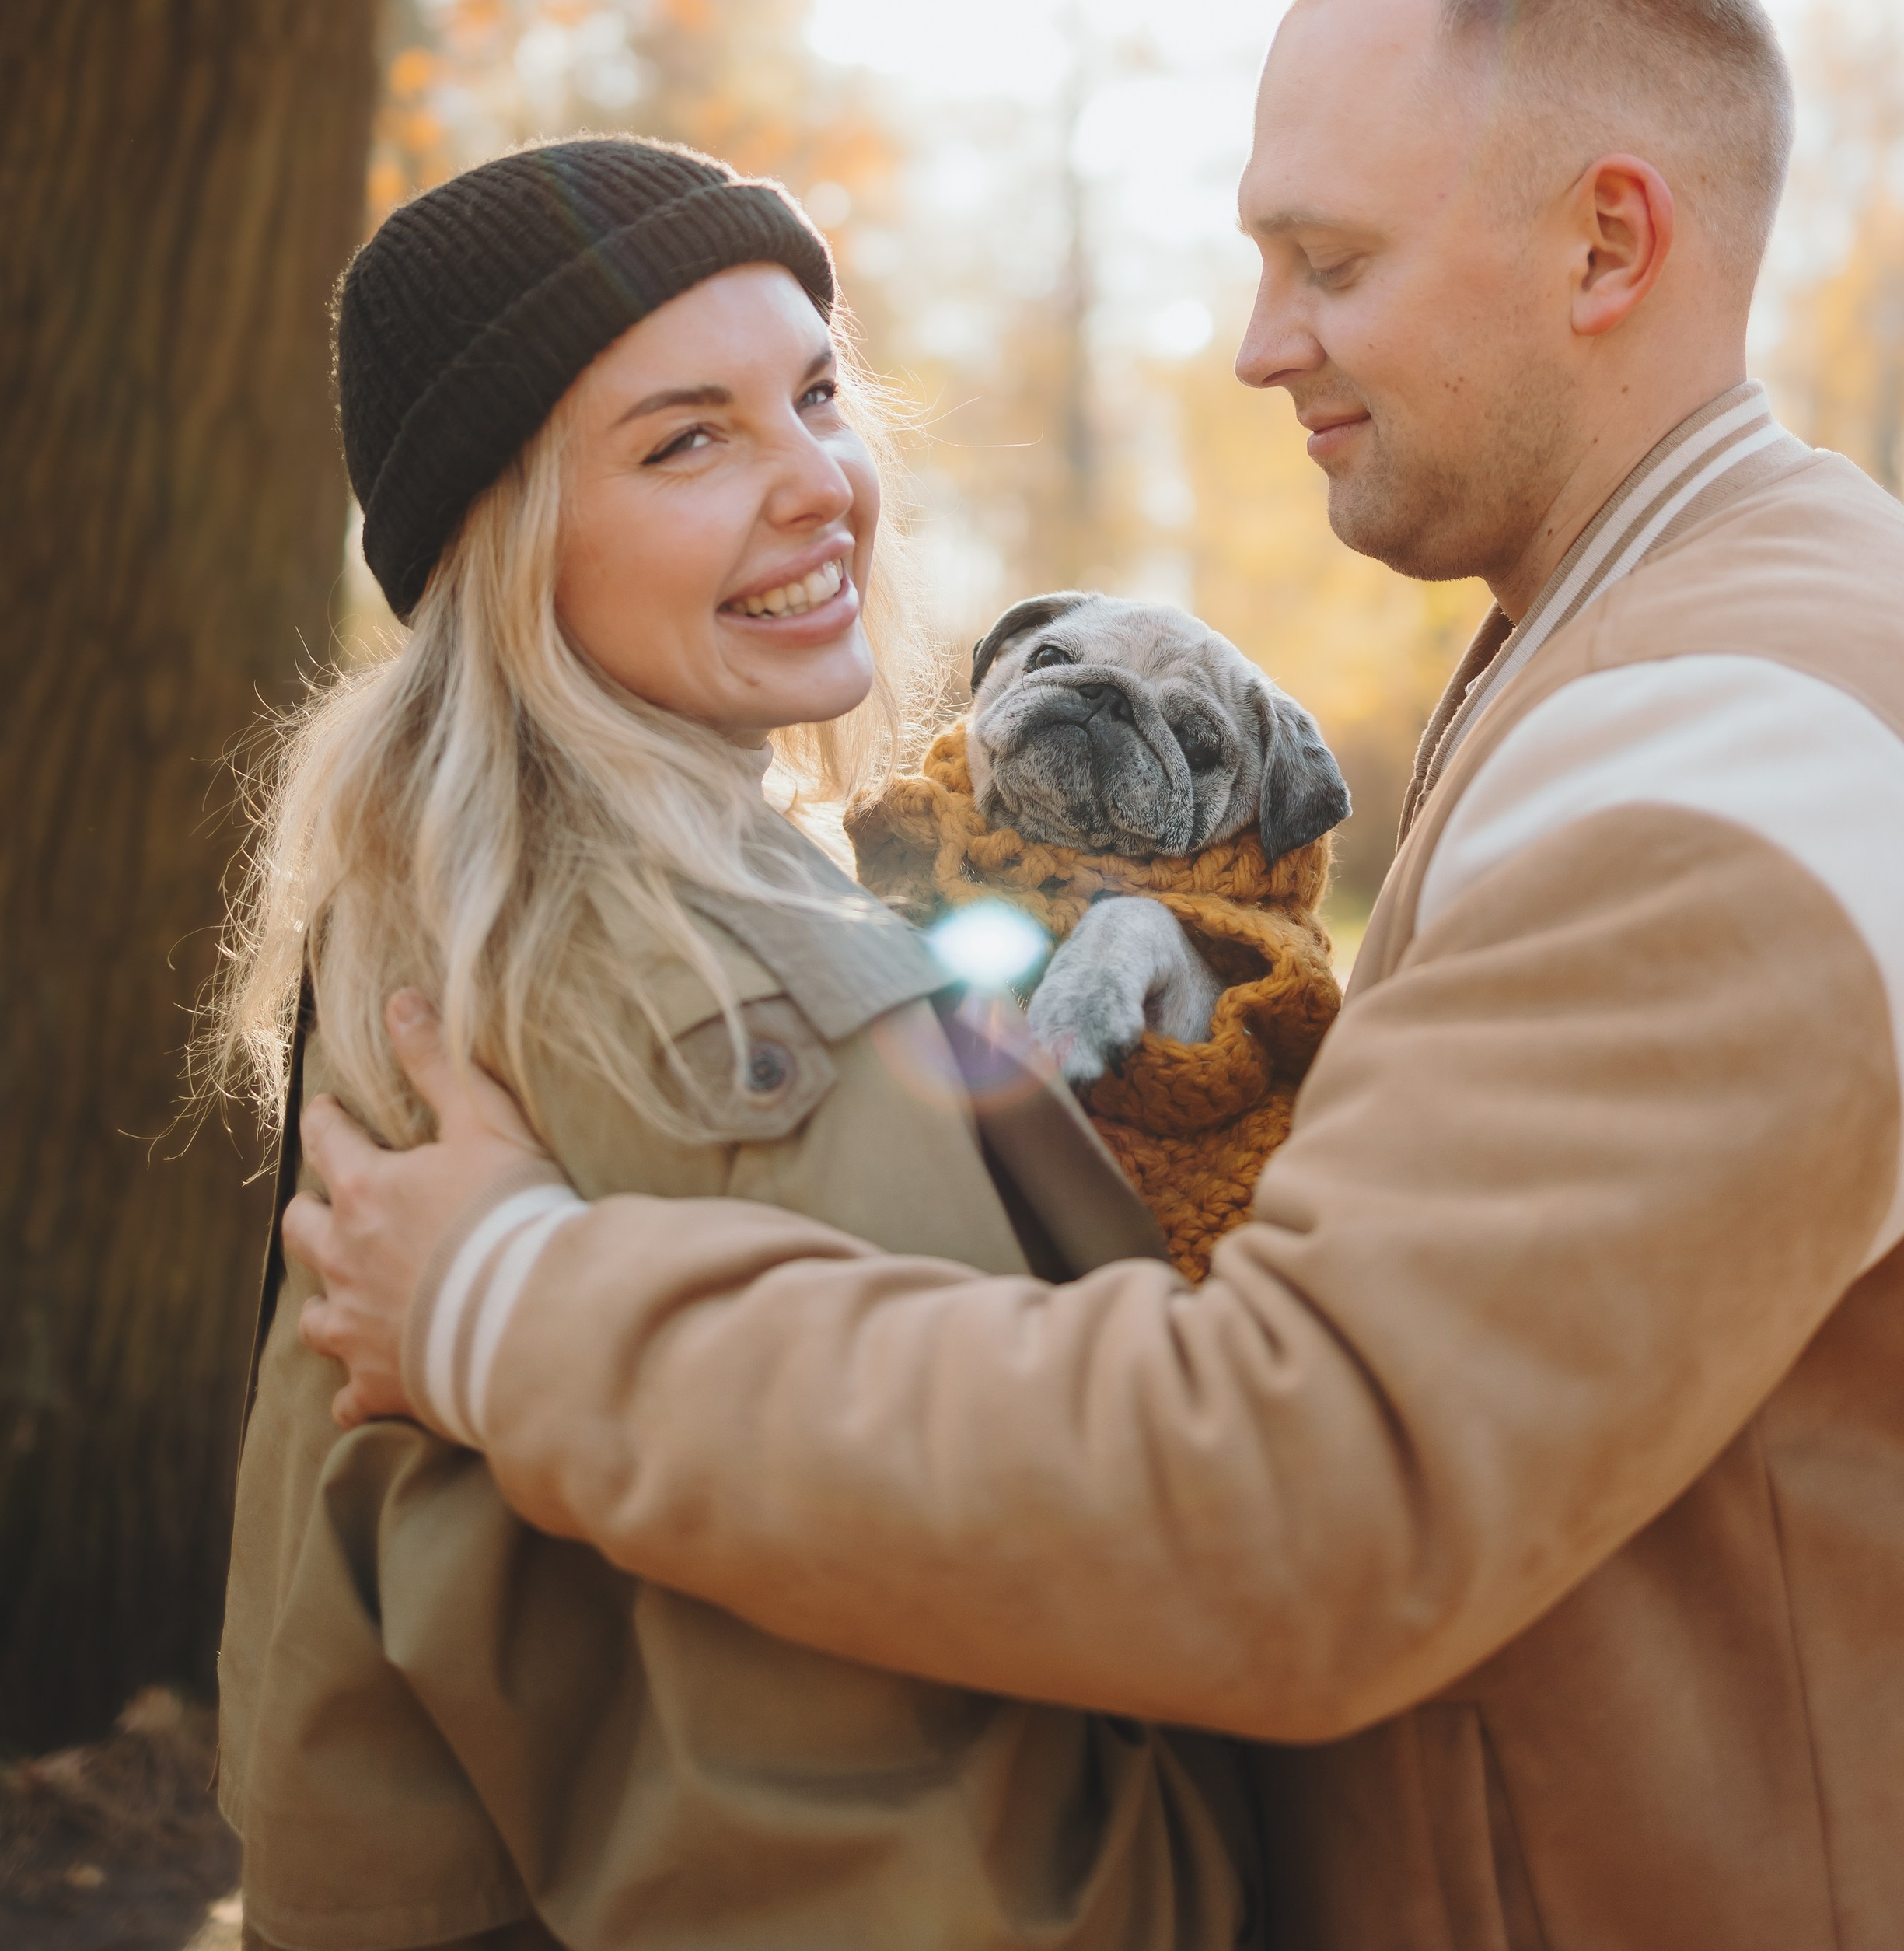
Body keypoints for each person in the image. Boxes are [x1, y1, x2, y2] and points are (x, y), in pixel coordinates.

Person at [294, 0, 1904, 1951]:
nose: (1261, 344)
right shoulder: (1656, 650)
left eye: (1330, 263)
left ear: (1607, 245)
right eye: (683, 440)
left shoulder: (1744, 752)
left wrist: (507, 1304)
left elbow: (1307, 1499)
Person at [213, 138, 1256, 1951]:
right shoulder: (699, 990)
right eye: (685, 441)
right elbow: (1011, 1521)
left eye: (816, 394)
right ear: (504, 542)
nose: (817, 484)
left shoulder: (462, 882)